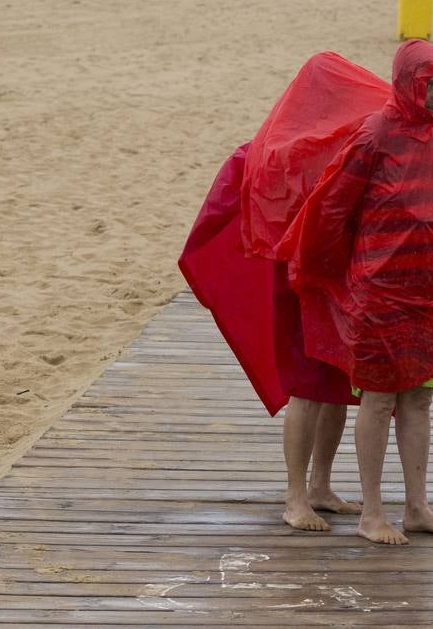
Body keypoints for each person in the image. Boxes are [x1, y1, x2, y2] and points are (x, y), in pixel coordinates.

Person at [179, 54, 392, 534]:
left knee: (337, 387)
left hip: (335, 281)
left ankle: (320, 486)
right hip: (294, 285)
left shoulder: (325, 142)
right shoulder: (273, 151)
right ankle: (295, 496)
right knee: (307, 390)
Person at [277, 39, 433, 546]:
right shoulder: (374, 134)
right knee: (378, 399)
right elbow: (333, 207)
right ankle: (372, 513)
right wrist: (327, 274)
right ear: (404, 81)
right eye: (425, 84)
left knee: (421, 400)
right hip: (380, 293)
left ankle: (417, 507)